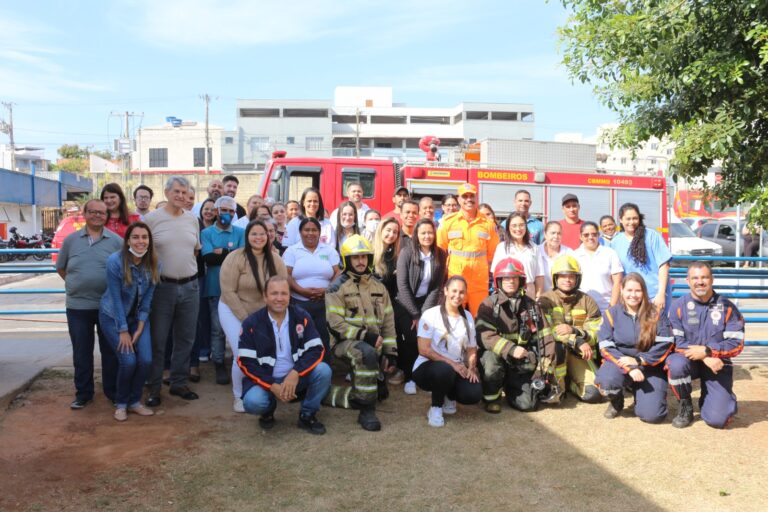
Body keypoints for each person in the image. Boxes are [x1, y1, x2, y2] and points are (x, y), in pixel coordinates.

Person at [237, 276, 331, 434]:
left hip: (296, 377)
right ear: (265, 297)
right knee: (253, 402)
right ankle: (267, 411)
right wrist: (272, 386)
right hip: (267, 381)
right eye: (274, 294)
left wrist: (295, 373)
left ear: (290, 296)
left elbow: (316, 350)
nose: (279, 298)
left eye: (284, 293)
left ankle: (307, 415)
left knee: (324, 371)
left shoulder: (302, 316)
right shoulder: (251, 323)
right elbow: (245, 362)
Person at [325, 235, 398, 431]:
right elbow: (335, 325)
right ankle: (367, 409)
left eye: (364, 257)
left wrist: (391, 352)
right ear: (346, 260)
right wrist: (365, 336)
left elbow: (389, 322)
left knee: (373, 364)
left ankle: (372, 384)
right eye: (355, 257)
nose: (360, 261)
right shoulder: (336, 288)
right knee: (365, 352)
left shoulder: (379, 287)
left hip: (375, 344)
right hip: (343, 345)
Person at [56, 199, 122, 409]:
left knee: (110, 352)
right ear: (85, 213)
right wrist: (76, 284)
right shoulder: (71, 240)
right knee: (81, 352)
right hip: (77, 306)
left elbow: (125, 271)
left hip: (107, 306)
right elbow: (61, 268)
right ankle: (84, 393)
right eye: (92, 212)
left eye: (101, 213)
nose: (97, 216)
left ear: (107, 216)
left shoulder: (116, 241)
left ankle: (112, 392)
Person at [144, 176, 201, 406]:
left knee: (186, 338)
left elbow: (195, 250)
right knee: (159, 340)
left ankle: (178, 382)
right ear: (166, 192)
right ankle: (155, 387)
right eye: (176, 191)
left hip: (190, 286)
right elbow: (142, 252)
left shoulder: (192, 220)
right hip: (162, 287)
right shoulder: (151, 219)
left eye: (184, 192)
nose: (180, 196)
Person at [666, 262, 745, 428]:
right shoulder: (677, 307)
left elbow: (736, 343)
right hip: (690, 361)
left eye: (704, 277)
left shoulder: (728, 307)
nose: (700, 281)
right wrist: (705, 357)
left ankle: (715, 397)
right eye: (695, 278)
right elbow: (677, 343)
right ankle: (685, 405)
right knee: (675, 364)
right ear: (688, 281)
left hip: (718, 363)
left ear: (712, 279)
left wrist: (709, 351)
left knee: (717, 420)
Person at [219, 220, 287, 413]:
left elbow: (282, 289)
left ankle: (264, 388)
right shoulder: (235, 258)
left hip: (263, 313)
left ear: (268, 236)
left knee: (267, 352)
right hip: (233, 309)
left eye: (262, 234)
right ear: (247, 237)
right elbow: (228, 291)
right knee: (242, 353)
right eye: (254, 234)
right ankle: (238, 396)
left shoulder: (276, 260)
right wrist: (247, 320)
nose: (258, 238)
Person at [476, 258, 559, 412]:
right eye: (506, 278)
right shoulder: (488, 305)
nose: (511, 281)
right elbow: (485, 335)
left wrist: (544, 365)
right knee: (490, 361)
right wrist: (511, 349)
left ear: (521, 281)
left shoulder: (531, 306)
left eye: (514, 278)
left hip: (520, 363)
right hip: (498, 357)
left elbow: (545, 336)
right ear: (498, 281)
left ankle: (510, 386)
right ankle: (491, 398)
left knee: (529, 405)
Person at [99, 222, 159, 421]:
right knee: (128, 361)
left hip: (138, 319)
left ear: (149, 240)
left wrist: (141, 325)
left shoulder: (155, 262)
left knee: (146, 360)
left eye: (144, 237)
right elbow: (116, 299)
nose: (140, 241)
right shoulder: (115, 261)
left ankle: (135, 402)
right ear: (127, 240)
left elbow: (148, 297)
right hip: (113, 317)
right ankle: (122, 403)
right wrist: (123, 330)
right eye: (135, 237)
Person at [595, 273, 673, 422]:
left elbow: (666, 344)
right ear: (622, 290)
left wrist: (639, 360)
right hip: (620, 363)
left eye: (638, 291)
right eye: (629, 290)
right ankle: (617, 401)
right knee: (607, 380)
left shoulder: (656, 313)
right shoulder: (611, 313)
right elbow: (605, 346)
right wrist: (630, 367)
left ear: (644, 292)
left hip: (650, 365)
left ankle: (641, 395)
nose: (633, 295)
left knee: (653, 416)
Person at [414, 276, 482, 427]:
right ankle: (436, 408)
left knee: (474, 393)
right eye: (454, 291)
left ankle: (449, 396)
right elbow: (423, 349)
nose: (457, 296)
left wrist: (471, 368)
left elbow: (471, 347)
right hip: (428, 367)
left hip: (456, 368)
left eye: (462, 292)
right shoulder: (431, 314)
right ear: (445, 291)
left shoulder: (468, 316)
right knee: (444, 370)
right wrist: (452, 364)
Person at [538, 255, 602, 403]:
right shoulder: (545, 300)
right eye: (563, 276)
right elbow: (548, 332)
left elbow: (596, 333)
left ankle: (568, 384)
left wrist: (575, 331)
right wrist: (577, 340)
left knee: (594, 394)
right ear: (555, 278)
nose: (567, 280)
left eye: (571, 276)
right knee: (558, 347)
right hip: (554, 355)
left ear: (577, 279)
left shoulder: (587, 301)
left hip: (579, 356)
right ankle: (558, 385)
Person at [396, 219, 447, 395]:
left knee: (428, 336)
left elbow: (436, 287)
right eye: (423, 233)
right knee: (411, 337)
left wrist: (424, 316)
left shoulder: (441, 254)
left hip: (427, 303)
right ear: (417, 234)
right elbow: (402, 286)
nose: (427, 236)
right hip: (405, 302)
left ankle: (425, 375)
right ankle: (409, 376)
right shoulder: (406, 253)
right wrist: (415, 316)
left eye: (430, 233)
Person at [437, 183, 500, 316]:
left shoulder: (488, 224)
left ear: (476, 198)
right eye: (465, 196)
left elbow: (493, 254)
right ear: (459, 199)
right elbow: (440, 251)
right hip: (456, 281)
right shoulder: (448, 222)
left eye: (472, 196)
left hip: (479, 282)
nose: (468, 199)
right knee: (453, 317)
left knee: (480, 319)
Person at [201, 196, 245, 385]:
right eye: (223, 210)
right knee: (217, 329)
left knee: (241, 328)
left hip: (238, 289)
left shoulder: (241, 232)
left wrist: (222, 252)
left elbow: (242, 258)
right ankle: (219, 362)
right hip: (215, 287)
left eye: (231, 211)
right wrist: (231, 253)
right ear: (216, 211)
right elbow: (209, 259)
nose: (227, 214)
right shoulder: (206, 232)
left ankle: (241, 361)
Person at [283, 217, 341, 357]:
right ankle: (302, 368)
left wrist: (327, 290)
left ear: (319, 232)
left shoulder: (329, 250)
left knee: (324, 338)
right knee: (301, 337)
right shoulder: (292, 251)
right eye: (306, 230)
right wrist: (301, 291)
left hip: (325, 302)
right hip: (299, 303)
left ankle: (325, 368)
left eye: (314, 230)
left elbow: (338, 272)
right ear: (300, 232)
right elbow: (286, 275)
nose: (310, 233)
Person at [610, 202, 672, 315]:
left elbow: (664, 265)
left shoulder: (652, 236)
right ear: (621, 220)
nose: (631, 222)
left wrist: (661, 293)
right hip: (630, 299)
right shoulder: (615, 242)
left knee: (654, 331)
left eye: (635, 218)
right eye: (628, 219)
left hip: (653, 298)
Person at [573, 222, 623, 311]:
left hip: (606, 307)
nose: (590, 237)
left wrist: (611, 308)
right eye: (586, 235)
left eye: (594, 234)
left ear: (598, 235)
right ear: (580, 236)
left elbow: (617, 282)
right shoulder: (574, 255)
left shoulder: (610, 253)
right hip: (581, 308)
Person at [491, 212, 543, 298]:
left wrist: (538, 295)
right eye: (514, 225)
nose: (518, 229)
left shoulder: (534, 247)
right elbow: (495, 274)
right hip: (507, 292)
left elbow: (539, 275)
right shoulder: (502, 247)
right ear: (508, 228)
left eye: (521, 225)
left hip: (529, 292)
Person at [372, 217, 401, 306]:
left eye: (395, 232)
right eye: (388, 230)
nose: (391, 234)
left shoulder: (395, 256)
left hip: (389, 303)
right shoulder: (369, 253)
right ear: (381, 230)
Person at [538, 221, 572, 294]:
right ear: (545, 234)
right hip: (542, 298)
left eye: (559, 233)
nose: (556, 236)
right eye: (553, 233)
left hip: (563, 297)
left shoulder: (569, 252)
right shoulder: (536, 251)